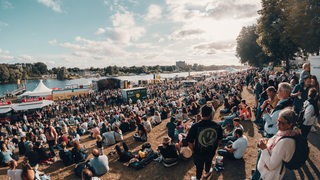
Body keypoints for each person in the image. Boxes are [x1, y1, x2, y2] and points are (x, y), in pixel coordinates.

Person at [257, 108, 299, 180]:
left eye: (281, 123)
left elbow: (271, 165)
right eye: (278, 121)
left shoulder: (285, 142)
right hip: (267, 173)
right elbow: (276, 143)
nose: (278, 125)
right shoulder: (285, 132)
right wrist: (268, 141)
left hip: (270, 176)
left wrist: (263, 149)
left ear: (290, 124)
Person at [186, 105, 223, 180]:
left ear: (201, 113)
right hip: (211, 151)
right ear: (211, 114)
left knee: (199, 167)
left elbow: (189, 141)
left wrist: (193, 150)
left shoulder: (195, 126)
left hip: (199, 152)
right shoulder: (217, 126)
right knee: (208, 162)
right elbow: (219, 139)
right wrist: (215, 147)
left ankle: (198, 178)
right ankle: (207, 173)